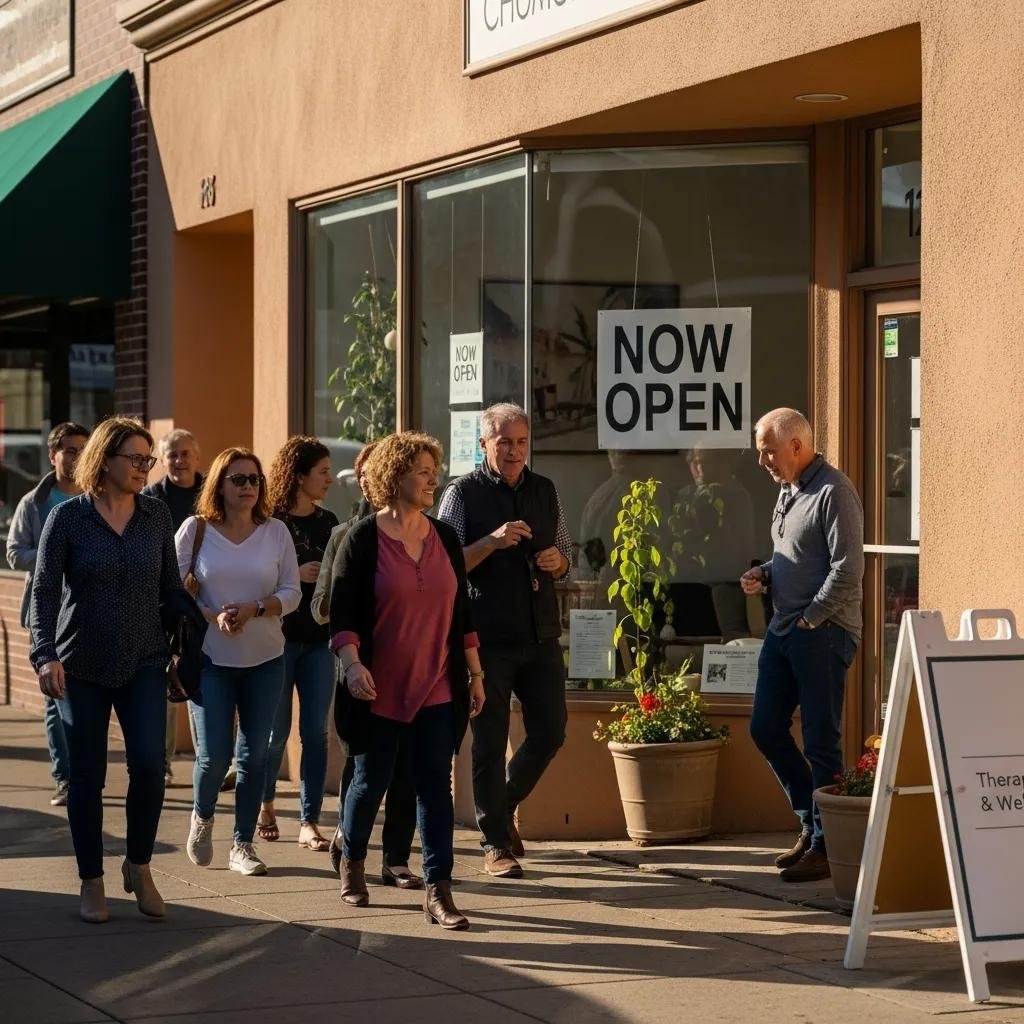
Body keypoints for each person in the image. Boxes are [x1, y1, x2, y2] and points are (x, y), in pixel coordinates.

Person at [30, 417, 186, 923]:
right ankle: (91, 879)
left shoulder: (157, 517)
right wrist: (45, 652)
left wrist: (188, 636)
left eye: (148, 460)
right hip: (81, 664)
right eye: (135, 459)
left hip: (144, 658)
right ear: (105, 460)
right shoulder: (68, 518)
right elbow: (45, 590)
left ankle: (138, 866)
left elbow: (169, 589)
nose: (145, 468)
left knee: (148, 768)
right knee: (86, 776)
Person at [330, 432, 485, 929]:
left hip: (438, 684)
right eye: (422, 469)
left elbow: (462, 614)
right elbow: (343, 613)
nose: (432, 478)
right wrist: (353, 666)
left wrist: (476, 674)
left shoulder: (445, 537)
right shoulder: (363, 538)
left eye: (433, 469)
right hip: (379, 687)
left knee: (435, 787)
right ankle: (352, 860)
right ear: (395, 476)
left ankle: (439, 890)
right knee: (370, 781)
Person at [436, 402, 572, 879]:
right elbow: (442, 565)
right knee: (490, 741)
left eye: (521, 441)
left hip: (540, 633)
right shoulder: (462, 494)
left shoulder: (545, 489)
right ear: (484, 445)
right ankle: (495, 841)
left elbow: (566, 551)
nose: (514, 451)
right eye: (504, 442)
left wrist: (560, 561)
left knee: (551, 731)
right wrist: (490, 542)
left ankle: (501, 805)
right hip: (487, 637)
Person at [741, 408, 864, 883]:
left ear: (797, 445)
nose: (763, 461)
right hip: (785, 630)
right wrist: (766, 575)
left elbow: (848, 569)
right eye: (760, 451)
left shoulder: (834, 491)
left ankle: (828, 846)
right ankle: (812, 823)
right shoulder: (787, 490)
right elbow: (796, 559)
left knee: (821, 742)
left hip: (822, 633)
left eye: (769, 451)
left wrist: (811, 619)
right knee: (766, 728)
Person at [177, 447, 301, 877]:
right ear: (219, 485)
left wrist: (256, 608)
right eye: (239, 479)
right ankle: (202, 816)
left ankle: (242, 845)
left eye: (254, 479)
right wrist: (213, 615)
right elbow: (173, 595)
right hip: (210, 658)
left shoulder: (276, 533)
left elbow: (292, 592)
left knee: (255, 757)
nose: (249, 487)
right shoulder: (196, 530)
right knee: (214, 757)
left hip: (265, 659)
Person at [312, 441, 422, 889]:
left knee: (407, 771)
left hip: (411, 669)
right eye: (363, 474)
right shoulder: (346, 536)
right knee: (364, 767)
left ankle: (396, 858)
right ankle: (348, 841)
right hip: (360, 667)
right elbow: (322, 607)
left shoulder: (425, 534)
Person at [258, 436, 337, 851]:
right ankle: (266, 803)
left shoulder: (329, 522)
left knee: (316, 733)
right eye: (322, 472)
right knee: (274, 732)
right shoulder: (269, 523)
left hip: (319, 640)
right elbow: (252, 576)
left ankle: (309, 820)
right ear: (300, 475)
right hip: (276, 640)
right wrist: (293, 577)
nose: (329, 480)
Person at [7, 421, 90, 807]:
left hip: (88, 611)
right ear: (53, 455)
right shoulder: (35, 502)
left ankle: (86, 774)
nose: (76, 457)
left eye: (82, 449)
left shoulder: (97, 498)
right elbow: (14, 552)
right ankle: (65, 777)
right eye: (70, 450)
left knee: (84, 696)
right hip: (46, 610)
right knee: (55, 697)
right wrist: (53, 557)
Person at [144, 428, 205, 788]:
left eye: (185, 453)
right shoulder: (151, 500)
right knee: (167, 683)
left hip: (208, 605)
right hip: (162, 604)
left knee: (205, 682)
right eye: (172, 455)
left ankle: (209, 761)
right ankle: (163, 761)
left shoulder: (214, 494)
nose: (180, 461)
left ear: (198, 457)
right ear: (163, 461)